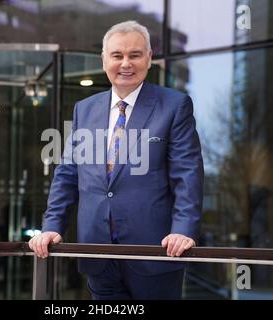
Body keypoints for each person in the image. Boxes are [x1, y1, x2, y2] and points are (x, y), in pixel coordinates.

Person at [29, 20, 204, 300]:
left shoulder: (174, 106)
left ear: (149, 59)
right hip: (97, 253)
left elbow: (187, 174)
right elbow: (67, 174)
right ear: (104, 60)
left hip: (156, 253)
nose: (126, 63)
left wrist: (183, 231)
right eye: (117, 55)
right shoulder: (84, 110)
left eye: (135, 55)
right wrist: (52, 226)